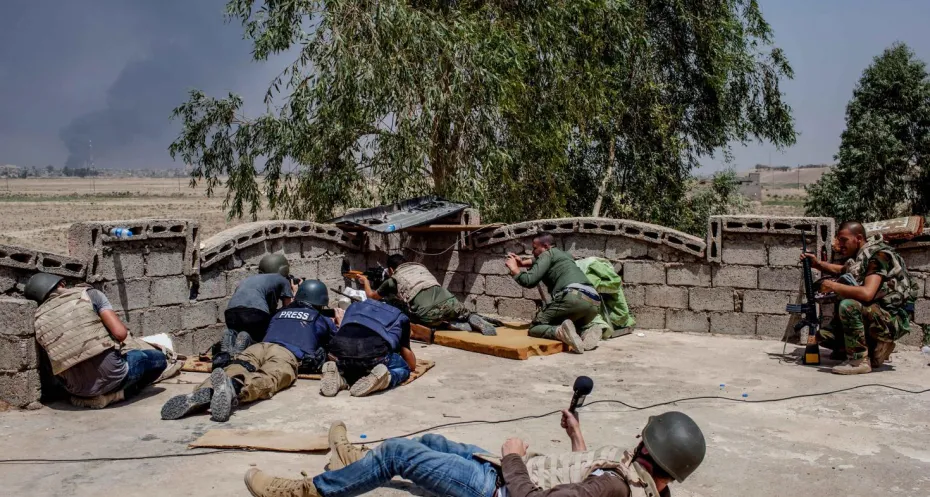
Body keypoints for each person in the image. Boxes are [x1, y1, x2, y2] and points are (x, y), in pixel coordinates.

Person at [242, 410, 706, 497]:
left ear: (649, 446)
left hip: (497, 486)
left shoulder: (616, 487)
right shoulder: (635, 482)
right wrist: (577, 439)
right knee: (435, 444)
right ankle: (351, 469)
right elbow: (586, 482)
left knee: (398, 454)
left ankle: (307, 492)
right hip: (510, 474)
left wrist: (513, 457)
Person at [162, 280, 340, 422]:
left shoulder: (279, 313)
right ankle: (236, 388)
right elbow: (337, 344)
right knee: (270, 377)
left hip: (259, 346)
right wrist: (339, 320)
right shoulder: (320, 318)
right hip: (285, 353)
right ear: (320, 302)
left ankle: (205, 390)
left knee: (237, 366)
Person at [25, 272, 167, 409]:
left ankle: (89, 397)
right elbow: (121, 334)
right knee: (158, 359)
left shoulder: (38, 319)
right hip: (114, 377)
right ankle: (115, 396)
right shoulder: (89, 295)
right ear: (61, 284)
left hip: (74, 389)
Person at [801, 221, 918, 374]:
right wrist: (817, 264)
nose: (840, 245)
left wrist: (834, 286)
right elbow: (843, 269)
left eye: (844, 240)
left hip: (892, 321)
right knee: (825, 337)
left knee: (848, 304)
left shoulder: (879, 256)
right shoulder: (863, 256)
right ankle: (876, 349)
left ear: (858, 238)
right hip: (878, 315)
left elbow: (867, 293)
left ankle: (859, 361)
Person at [357, 254, 497, 335]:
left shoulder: (393, 280)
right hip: (452, 303)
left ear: (392, 269)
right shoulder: (420, 269)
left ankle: (447, 325)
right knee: (459, 310)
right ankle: (469, 317)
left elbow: (372, 296)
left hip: (429, 315)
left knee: (399, 308)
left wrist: (365, 282)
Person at [506, 233, 601, 353]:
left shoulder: (547, 254)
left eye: (534, 248)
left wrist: (514, 269)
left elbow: (529, 281)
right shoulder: (565, 254)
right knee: (566, 323)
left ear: (545, 246)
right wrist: (523, 263)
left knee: (535, 328)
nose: (532, 251)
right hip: (594, 302)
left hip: (573, 298)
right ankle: (585, 331)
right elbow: (538, 260)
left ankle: (560, 332)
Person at [320, 298, 417, 398]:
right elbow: (411, 364)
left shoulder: (354, 306)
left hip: (338, 354)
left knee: (351, 364)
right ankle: (385, 379)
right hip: (371, 356)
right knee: (403, 368)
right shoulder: (401, 316)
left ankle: (340, 377)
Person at [221, 254, 298, 350]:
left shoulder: (248, 279)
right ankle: (248, 340)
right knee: (259, 340)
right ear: (283, 269)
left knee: (237, 336)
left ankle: (230, 335)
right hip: (254, 314)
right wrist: (294, 292)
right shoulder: (282, 279)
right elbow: (288, 308)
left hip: (231, 313)